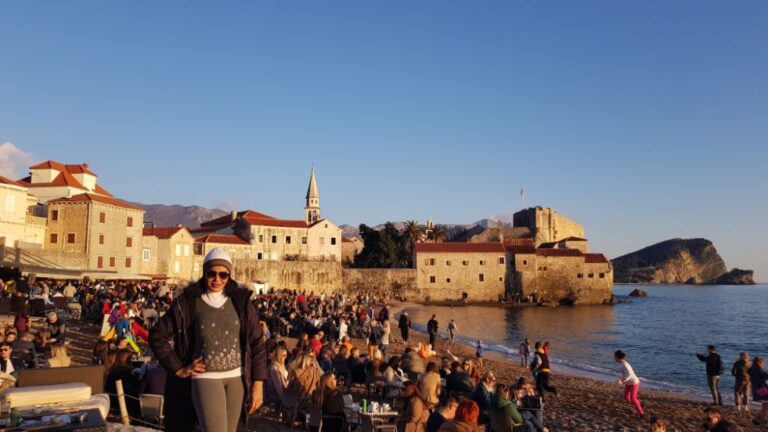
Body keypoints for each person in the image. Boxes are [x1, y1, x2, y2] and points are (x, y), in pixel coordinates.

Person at [149, 248, 268, 432]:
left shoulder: (240, 301)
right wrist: (179, 368)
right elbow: (157, 335)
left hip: (237, 378)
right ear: (204, 273)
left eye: (223, 274)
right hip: (206, 377)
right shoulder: (188, 302)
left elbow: (257, 343)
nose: (217, 279)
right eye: (212, 273)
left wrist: (258, 383)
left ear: (229, 276)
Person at [615, 350, 643, 416]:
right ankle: (638, 403)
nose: (614, 358)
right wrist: (622, 380)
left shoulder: (625, 364)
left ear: (617, 357)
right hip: (628, 382)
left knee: (633, 398)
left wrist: (623, 381)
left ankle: (642, 413)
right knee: (626, 397)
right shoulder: (621, 364)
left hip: (634, 382)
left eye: (615, 357)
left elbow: (630, 374)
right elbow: (624, 374)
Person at [748, 356, 768, 425]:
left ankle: (756, 419)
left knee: (765, 405)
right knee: (766, 406)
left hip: (756, 389)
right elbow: (766, 376)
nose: (764, 364)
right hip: (762, 389)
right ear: (760, 362)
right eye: (763, 363)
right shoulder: (759, 370)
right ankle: (762, 421)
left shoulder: (751, 369)